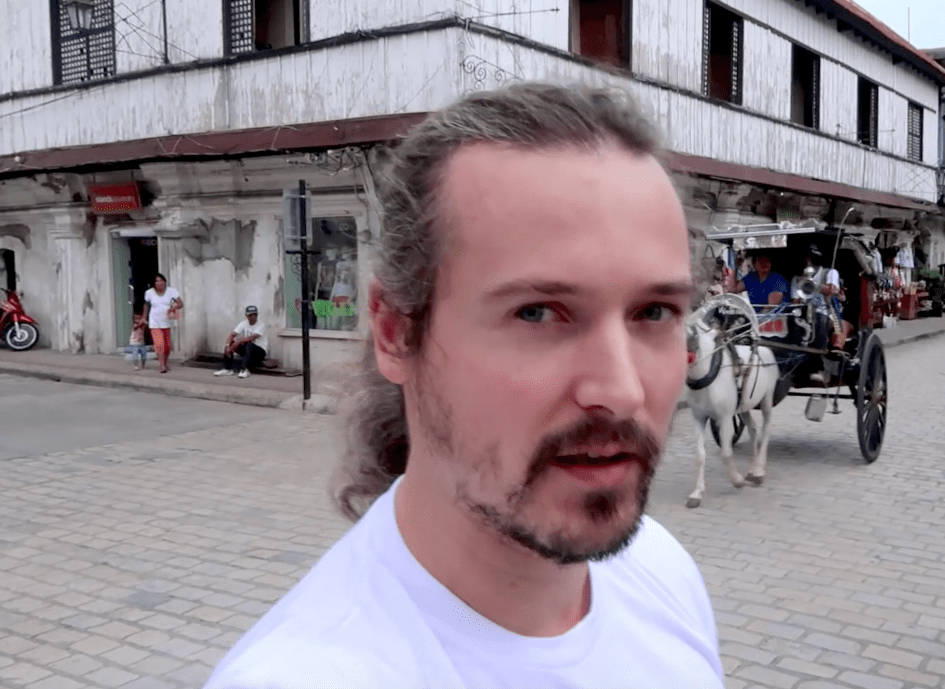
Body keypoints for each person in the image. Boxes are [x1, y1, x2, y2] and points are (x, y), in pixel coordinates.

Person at [203, 83, 723, 688]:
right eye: (538, 312)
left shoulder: (662, 573)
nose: (622, 390)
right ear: (396, 331)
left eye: (653, 312)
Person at [140, 273, 182, 374]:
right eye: (157, 281)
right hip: (155, 322)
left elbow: (180, 303)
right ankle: (162, 365)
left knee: (167, 347)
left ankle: (165, 362)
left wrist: (174, 308)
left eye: (161, 280)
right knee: (159, 344)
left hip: (167, 322)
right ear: (154, 283)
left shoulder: (172, 291)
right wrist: (144, 317)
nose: (160, 283)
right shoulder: (149, 293)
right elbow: (146, 305)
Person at [214, 306, 268, 379]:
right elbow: (232, 335)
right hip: (247, 351)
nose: (253, 317)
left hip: (260, 352)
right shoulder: (243, 323)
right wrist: (228, 346)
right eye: (250, 315)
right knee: (230, 343)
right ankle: (227, 369)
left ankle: (245, 370)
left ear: (257, 315)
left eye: (255, 314)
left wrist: (237, 343)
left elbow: (251, 338)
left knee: (249, 345)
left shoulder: (261, 325)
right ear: (246, 315)